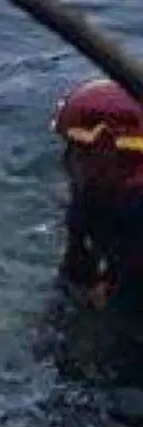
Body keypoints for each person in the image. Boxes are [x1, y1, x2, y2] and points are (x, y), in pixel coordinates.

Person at [53, 77, 143, 311]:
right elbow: (74, 270)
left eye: (76, 149)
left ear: (109, 153)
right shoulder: (92, 194)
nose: (65, 159)